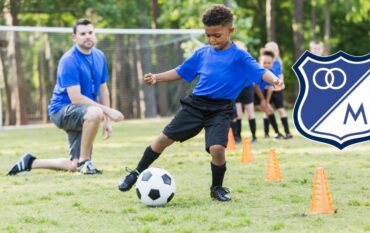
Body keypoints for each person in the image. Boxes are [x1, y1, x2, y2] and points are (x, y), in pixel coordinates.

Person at [118, 5, 282, 201]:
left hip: (221, 110)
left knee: (218, 149)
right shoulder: (202, 53)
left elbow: (260, 71)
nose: (212, 39)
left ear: (230, 31)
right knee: (162, 140)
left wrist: (274, 80)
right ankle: (135, 173)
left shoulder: (239, 56)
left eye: (217, 35)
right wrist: (157, 77)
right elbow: (181, 71)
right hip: (195, 106)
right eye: (208, 35)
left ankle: (217, 188)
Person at [7, 19, 124, 176]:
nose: (88, 36)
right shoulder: (69, 60)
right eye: (83, 34)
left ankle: (30, 162)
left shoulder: (99, 56)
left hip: (83, 113)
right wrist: (108, 111)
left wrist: (107, 122)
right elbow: (76, 98)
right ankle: (85, 162)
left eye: (90, 32)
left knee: (72, 165)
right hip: (61, 110)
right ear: (74, 38)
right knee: (95, 112)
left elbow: (103, 88)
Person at [263, 42, 293, 139]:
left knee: (281, 110)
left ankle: (287, 132)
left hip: (277, 90)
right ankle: (266, 133)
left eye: (275, 51)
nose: (274, 53)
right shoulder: (264, 62)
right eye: (271, 51)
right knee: (267, 111)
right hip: (267, 90)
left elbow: (280, 75)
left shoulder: (278, 63)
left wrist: (282, 83)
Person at [254, 50, 284, 139]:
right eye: (264, 63)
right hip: (254, 94)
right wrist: (263, 100)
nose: (266, 65)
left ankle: (275, 133)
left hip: (263, 94)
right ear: (260, 62)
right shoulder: (258, 71)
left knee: (269, 110)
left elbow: (271, 88)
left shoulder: (272, 72)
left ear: (272, 63)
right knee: (267, 111)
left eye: (269, 63)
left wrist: (266, 102)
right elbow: (256, 87)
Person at [232, 41, 257, 143]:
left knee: (250, 113)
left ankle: (254, 136)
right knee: (238, 114)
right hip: (237, 89)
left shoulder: (248, 60)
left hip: (247, 88)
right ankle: (237, 136)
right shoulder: (232, 61)